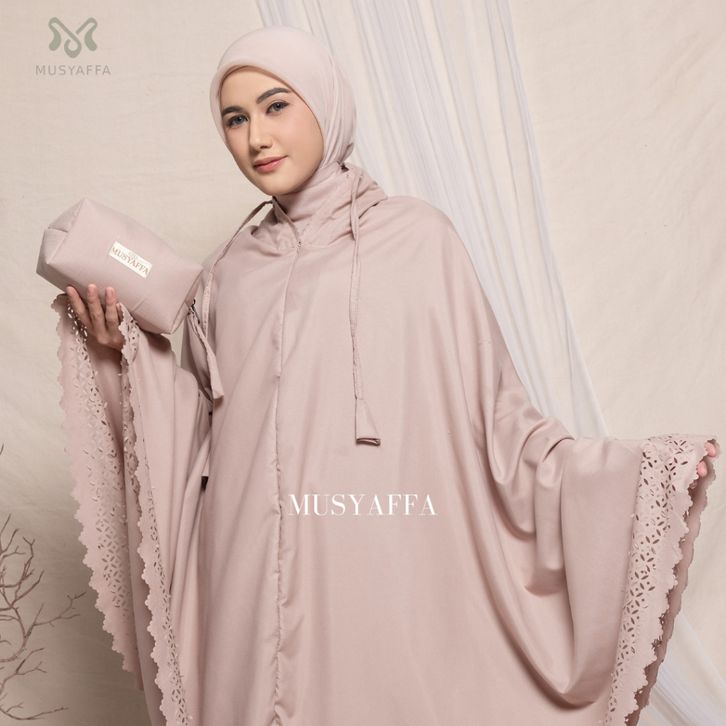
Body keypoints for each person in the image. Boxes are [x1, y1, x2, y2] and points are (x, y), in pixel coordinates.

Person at [55, 24, 719, 726]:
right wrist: (123, 356)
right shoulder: (228, 273)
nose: (257, 138)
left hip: (378, 570)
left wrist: (638, 474)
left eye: (276, 106)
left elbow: (499, 422)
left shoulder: (418, 240)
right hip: (246, 585)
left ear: (326, 103)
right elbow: (198, 442)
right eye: (236, 119)